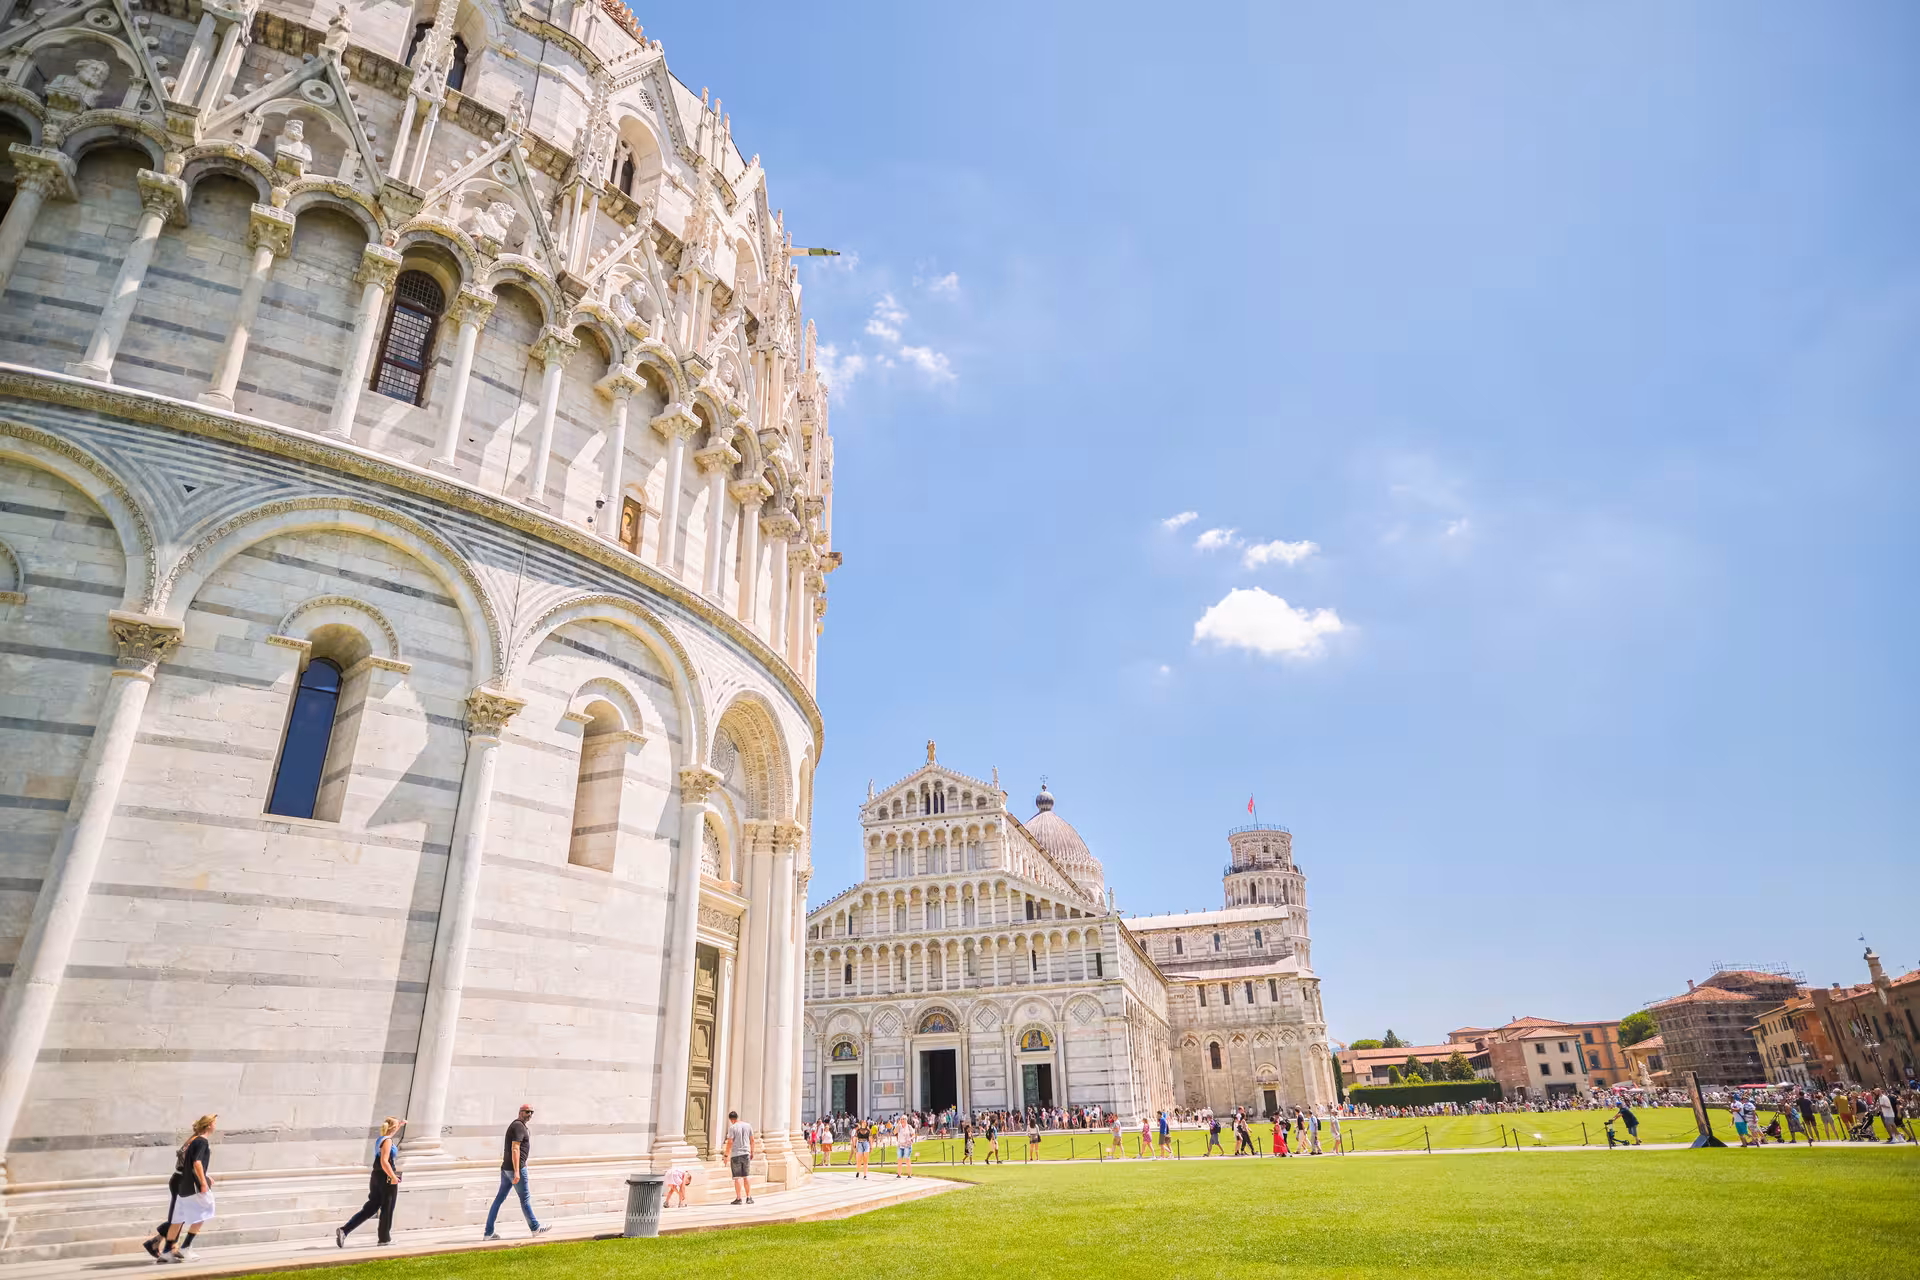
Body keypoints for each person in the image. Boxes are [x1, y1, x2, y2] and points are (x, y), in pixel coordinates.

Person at [143, 1114, 217, 1262]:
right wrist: (202, 1181)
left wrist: (205, 1176)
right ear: (209, 1125)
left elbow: (187, 1162)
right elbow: (195, 1163)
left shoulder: (192, 1139)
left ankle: (167, 1248)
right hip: (183, 1180)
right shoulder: (200, 1141)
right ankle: (171, 1247)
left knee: (179, 1214)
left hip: (180, 1178)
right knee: (186, 1214)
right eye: (215, 1123)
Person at [337, 1118, 405, 1248]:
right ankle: (384, 1239)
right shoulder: (388, 1141)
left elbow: (382, 1157)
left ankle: (345, 1230)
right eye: (397, 1127)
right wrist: (393, 1177)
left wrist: (399, 1125)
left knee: (371, 1208)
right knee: (387, 1208)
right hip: (386, 1178)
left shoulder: (381, 1139)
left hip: (376, 1177)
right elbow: (385, 1161)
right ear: (393, 1128)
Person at [484, 1104, 550, 1238]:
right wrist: (517, 1171)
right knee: (525, 1199)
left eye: (531, 1112)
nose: (529, 1114)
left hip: (507, 1169)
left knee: (499, 1199)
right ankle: (535, 1228)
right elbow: (515, 1148)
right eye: (527, 1112)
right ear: (520, 1112)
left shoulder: (518, 1126)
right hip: (515, 1169)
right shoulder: (518, 1126)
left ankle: (488, 1233)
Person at [724, 1110, 757, 1204]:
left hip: (736, 1155)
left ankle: (738, 1198)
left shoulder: (732, 1127)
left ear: (731, 1120)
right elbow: (752, 1140)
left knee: (737, 1177)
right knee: (746, 1176)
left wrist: (726, 1155)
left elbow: (730, 1142)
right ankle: (749, 1197)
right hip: (746, 1153)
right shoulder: (748, 1126)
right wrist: (752, 1152)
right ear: (737, 1117)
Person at [894, 1114, 917, 1178]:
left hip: (907, 1145)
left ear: (906, 1120)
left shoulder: (909, 1127)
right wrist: (898, 1125)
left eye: (903, 1119)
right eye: (901, 1119)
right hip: (900, 1145)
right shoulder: (899, 1127)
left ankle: (909, 1175)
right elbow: (894, 1132)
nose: (902, 1120)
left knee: (907, 1160)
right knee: (899, 1160)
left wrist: (911, 1138)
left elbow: (913, 1134)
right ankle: (899, 1174)